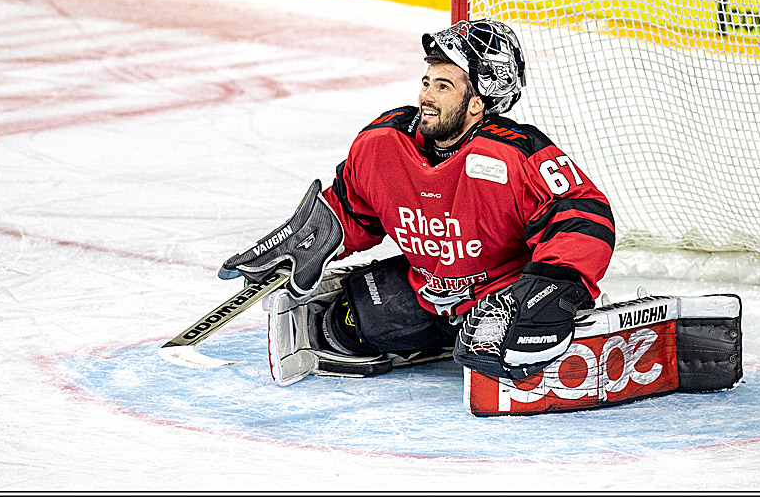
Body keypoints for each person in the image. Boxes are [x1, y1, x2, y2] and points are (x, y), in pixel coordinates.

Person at [220, 19, 615, 383]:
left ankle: (519, 324)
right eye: (427, 81)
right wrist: (311, 239)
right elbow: (353, 206)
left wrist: (553, 288)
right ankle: (444, 336)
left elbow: (583, 216)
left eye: (444, 86)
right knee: (348, 327)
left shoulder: (510, 154)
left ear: (477, 102)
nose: (426, 95)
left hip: (501, 302)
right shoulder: (385, 144)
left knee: (518, 342)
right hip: (427, 289)